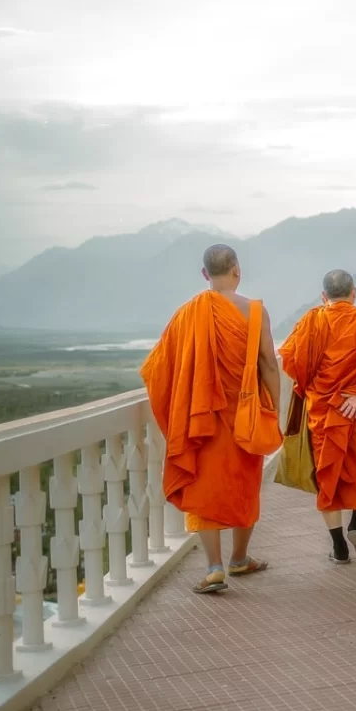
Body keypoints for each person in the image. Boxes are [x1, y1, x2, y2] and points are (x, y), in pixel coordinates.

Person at [141, 244, 279, 594]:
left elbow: (159, 367)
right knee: (245, 484)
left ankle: (214, 567)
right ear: (237, 270)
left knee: (205, 488)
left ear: (205, 274)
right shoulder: (255, 311)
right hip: (245, 413)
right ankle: (240, 558)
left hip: (201, 417)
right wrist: (273, 409)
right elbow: (268, 363)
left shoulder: (189, 312)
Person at [279, 270, 356, 562]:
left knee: (327, 474)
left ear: (324, 296)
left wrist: (314, 384)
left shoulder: (311, 322)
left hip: (324, 412)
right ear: (354, 293)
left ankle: (339, 547)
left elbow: (292, 361)